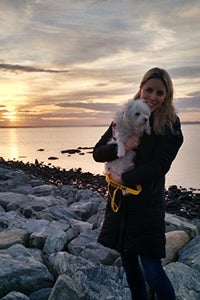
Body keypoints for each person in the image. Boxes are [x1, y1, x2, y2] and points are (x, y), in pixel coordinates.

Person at [93, 67, 183, 300]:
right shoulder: (123, 117)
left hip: (147, 206)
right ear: (141, 88)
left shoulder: (170, 125)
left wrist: (124, 179)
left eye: (160, 93)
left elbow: (159, 166)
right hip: (120, 206)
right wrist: (122, 147)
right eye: (149, 90)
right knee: (130, 267)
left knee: (152, 271)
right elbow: (98, 153)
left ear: (167, 95)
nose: (153, 97)